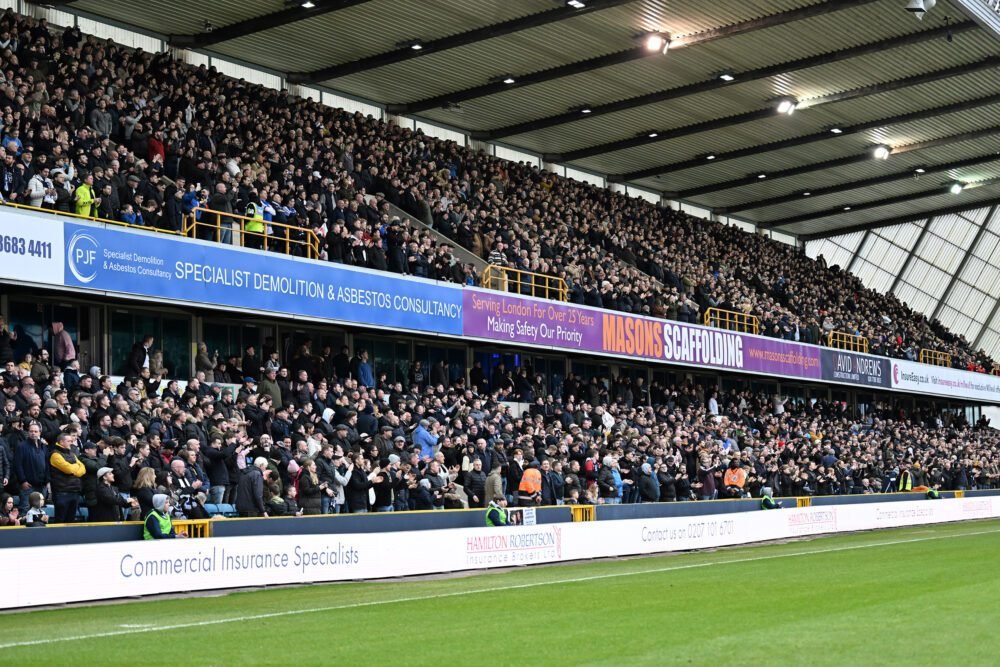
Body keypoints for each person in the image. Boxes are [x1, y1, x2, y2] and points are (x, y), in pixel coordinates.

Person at [49, 432, 85, 523]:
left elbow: (83, 469)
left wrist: (74, 470)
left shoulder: (72, 454)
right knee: (61, 520)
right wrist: (76, 468)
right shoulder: (55, 455)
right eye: (69, 441)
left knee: (71, 520)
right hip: (62, 492)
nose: (71, 443)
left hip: (74, 491)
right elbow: (68, 469)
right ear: (61, 442)